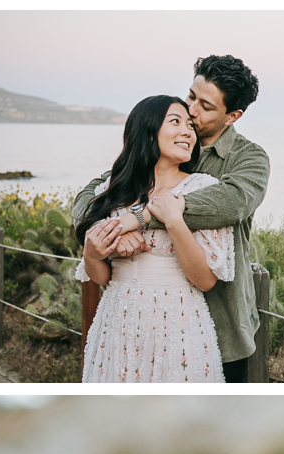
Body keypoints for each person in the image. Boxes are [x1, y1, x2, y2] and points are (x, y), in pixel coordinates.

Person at [72, 55, 269, 384]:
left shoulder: (248, 159)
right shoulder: (145, 165)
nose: (191, 110)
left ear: (233, 115)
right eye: (191, 96)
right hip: (128, 326)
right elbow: (92, 195)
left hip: (217, 320)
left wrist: (141, 217)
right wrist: (101, 231)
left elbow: (231, 204)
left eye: (205, 106)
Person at [75, 95, 232, 382]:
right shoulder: (114, 189)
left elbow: (206, 280)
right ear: (148, 131)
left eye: (190, 126)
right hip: (116, 321)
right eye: (175, 122)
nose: (187, 131)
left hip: (178, 322)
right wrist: (92, 253)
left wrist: (173, 221)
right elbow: (102, 278)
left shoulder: (202, 188)